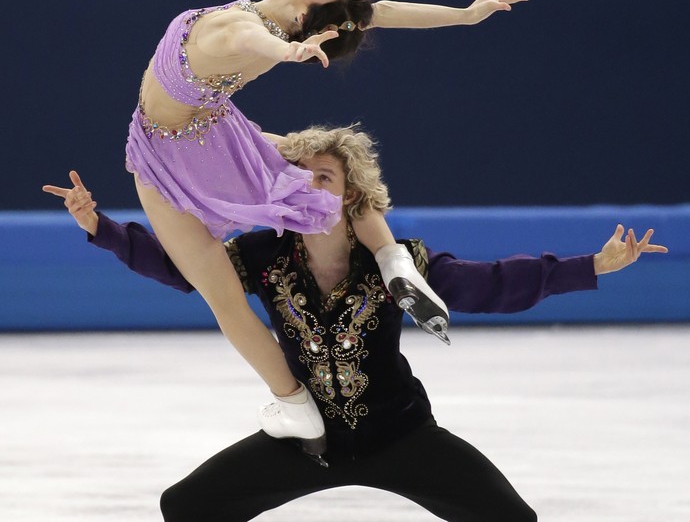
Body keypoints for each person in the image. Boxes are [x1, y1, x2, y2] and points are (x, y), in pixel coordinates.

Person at [44, 125, 667, 522]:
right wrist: (100, 228)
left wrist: (593, 266)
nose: (311, 186)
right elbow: (185, 271)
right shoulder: (261, 257)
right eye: (299, 177)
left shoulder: (396, 264)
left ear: (348, 194)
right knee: (188, 507)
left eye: (326, 177)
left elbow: (492, 284)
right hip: (308, 444)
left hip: (400, 437)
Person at [115, 0, 529, 452]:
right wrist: (465, 14)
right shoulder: (279, 23)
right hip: (217, 134)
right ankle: (387, 262)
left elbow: (252, 39)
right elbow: (382, 13)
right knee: (327, 174)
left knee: (222, 289)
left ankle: (294, 401)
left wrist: (289, 52)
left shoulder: (243, 29)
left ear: (306, 13)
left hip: (165, 152)